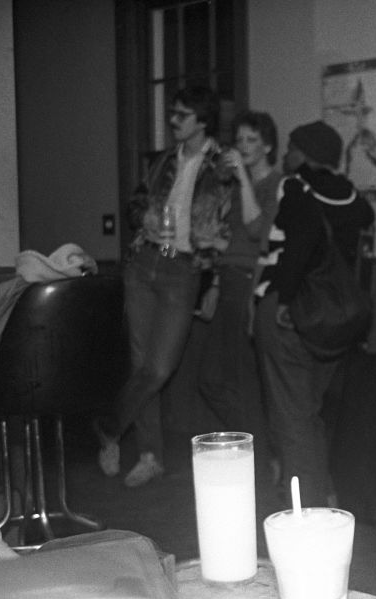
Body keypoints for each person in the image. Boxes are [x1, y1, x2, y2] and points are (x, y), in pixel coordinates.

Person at [97, 85, 232, 487]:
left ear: (202, 121)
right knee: (141, 365)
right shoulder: (160, 163)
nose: (173, 120)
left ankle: (108, 427)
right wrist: (145, 219)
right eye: (173, 113)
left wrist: (216, 274)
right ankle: (150, 454)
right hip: (144, 263)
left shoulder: (221, 167)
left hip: (185, 270)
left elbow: (231, 222)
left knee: (158, 367)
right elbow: (135, 204)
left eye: (182, 114)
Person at [253, 120, 374, 504]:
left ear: (305, 153)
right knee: (311, 412)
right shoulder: (352, 196)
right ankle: (324, 493)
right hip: (336, 320)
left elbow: (299, 245)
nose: (286, 154)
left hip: (293, 312)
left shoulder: (296, 187)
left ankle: (310, 507)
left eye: (291, 147)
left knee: (291, 417)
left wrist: (285, 300)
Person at [198, 111, 281, 438]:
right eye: (240, 139)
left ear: (268, 146)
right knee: (211, 378)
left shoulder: (276, 184)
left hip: (251, 282)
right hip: (230, 279)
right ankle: (260, 442)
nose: (243, 146)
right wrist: (215, 282)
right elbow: (233, 239)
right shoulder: (235, 188)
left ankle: (261, 448)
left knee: (241, 379)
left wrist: (244, 180)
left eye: (252, 140)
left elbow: (257, 229)